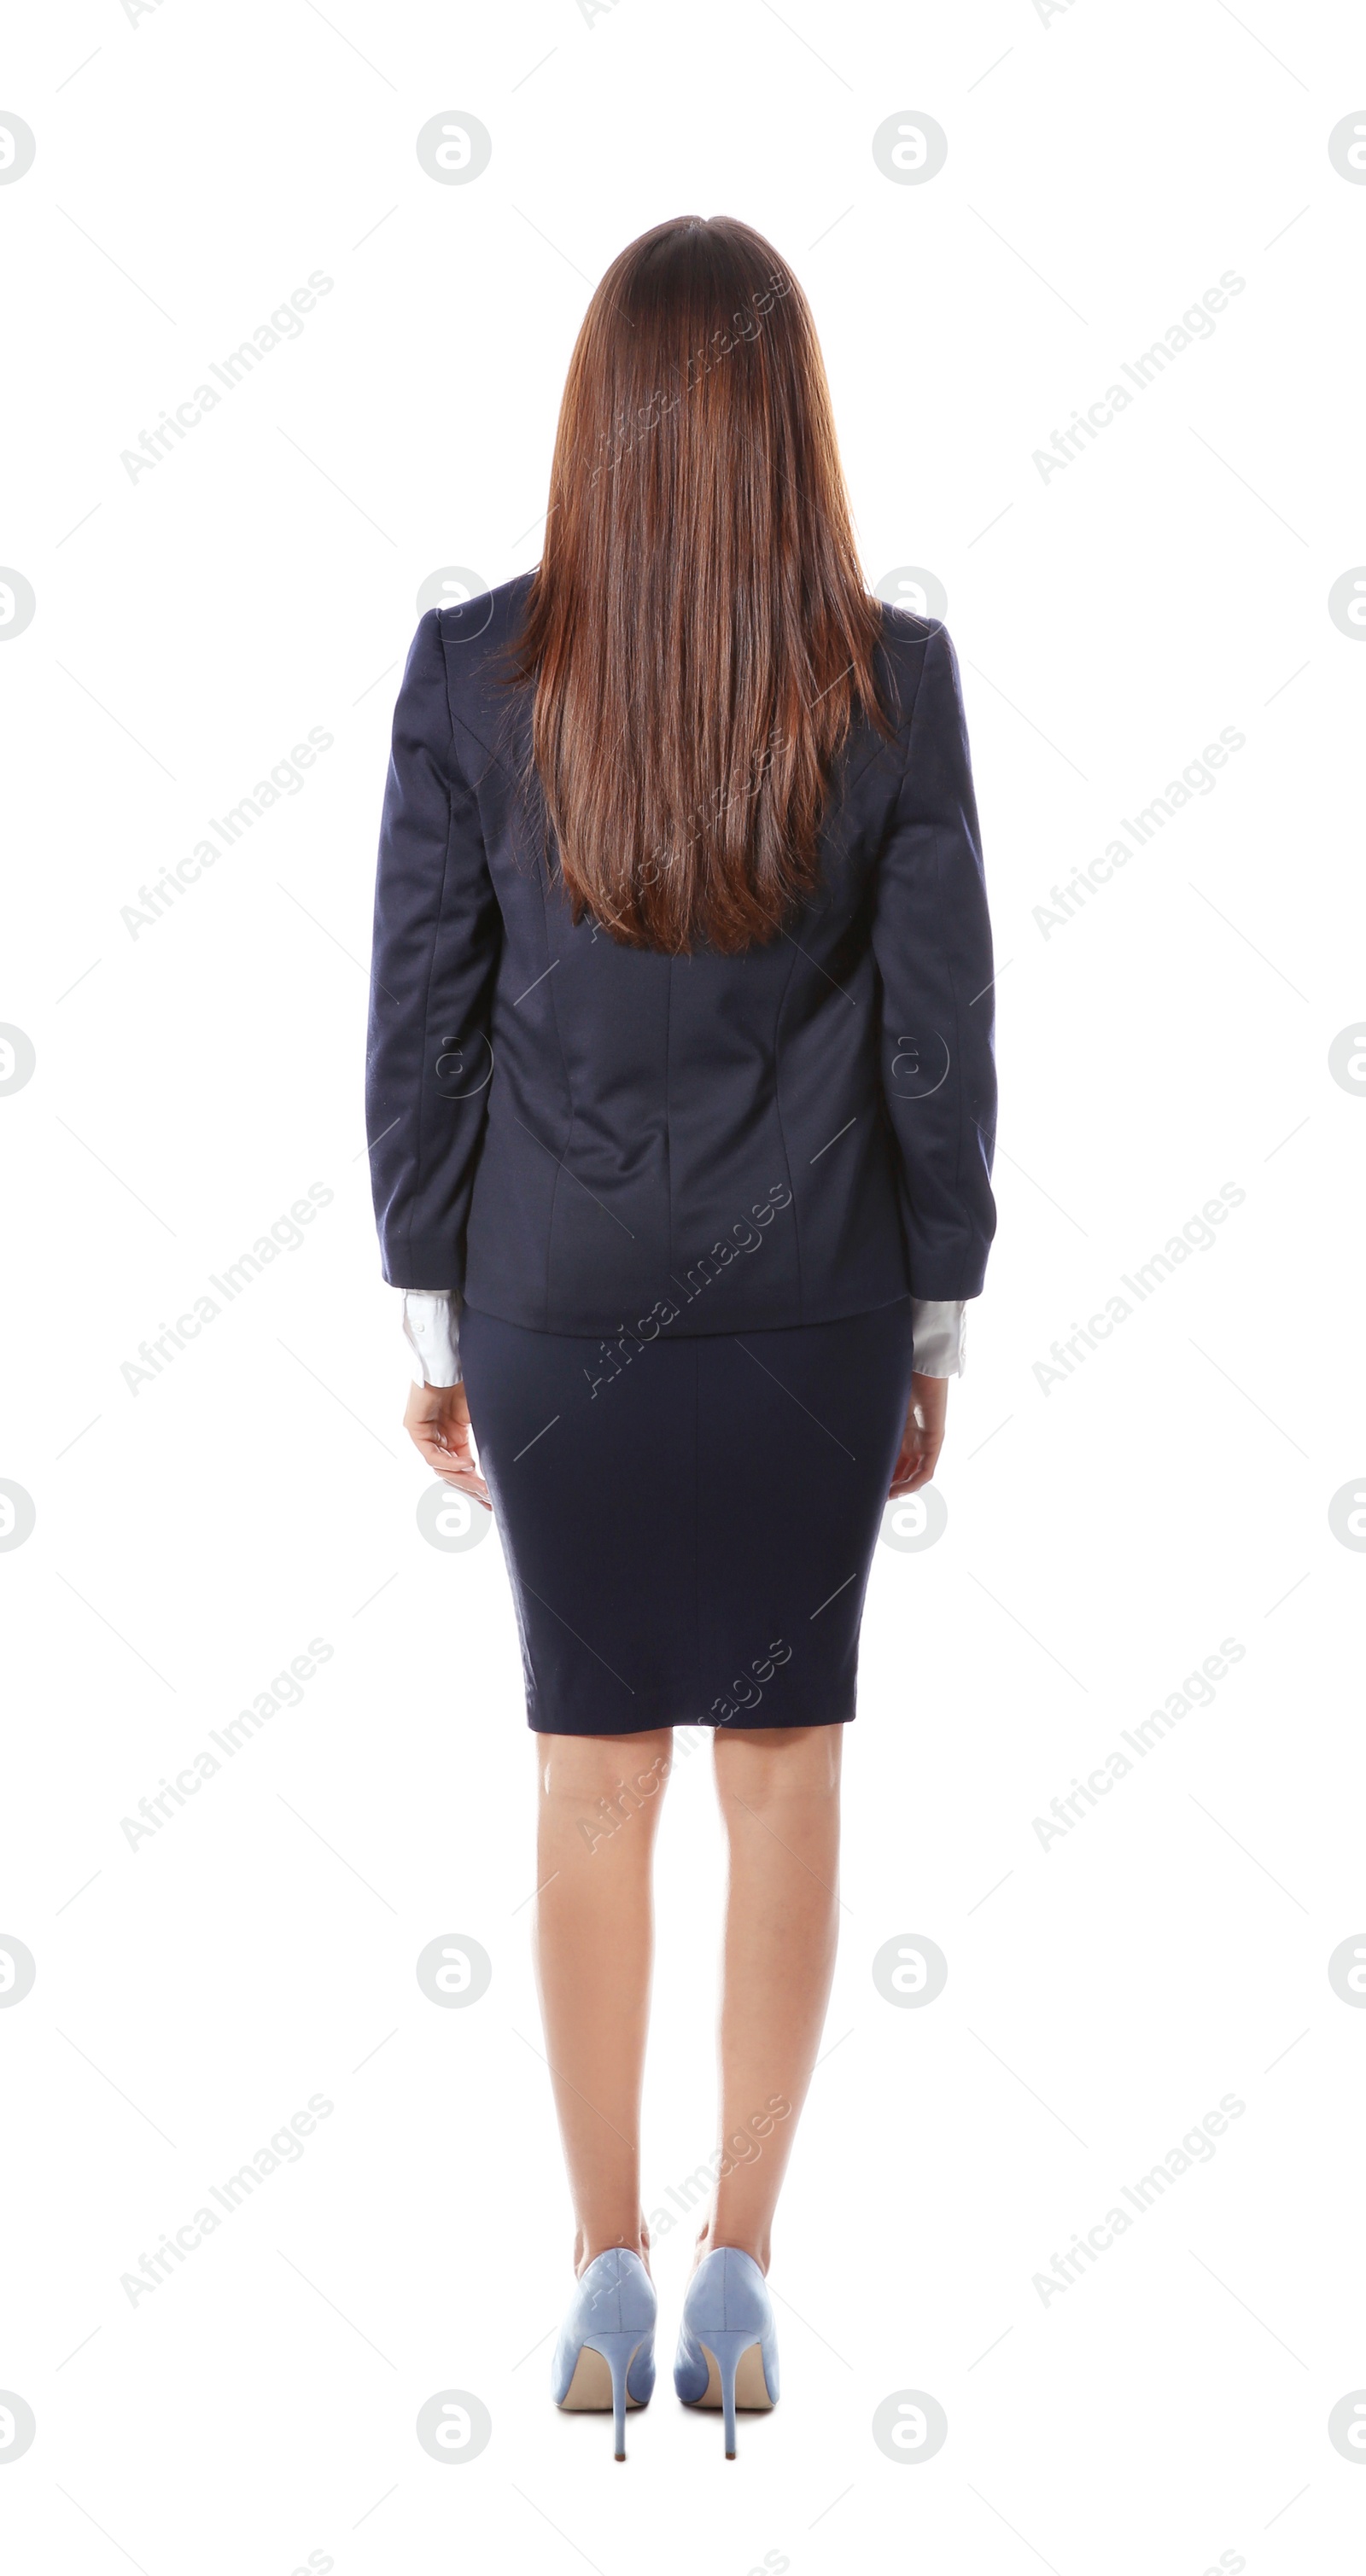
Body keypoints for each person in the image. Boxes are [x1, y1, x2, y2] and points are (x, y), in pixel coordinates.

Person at [366, 213, 996, 2460]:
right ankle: (740, 2260)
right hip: (811, 1303)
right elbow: (940, 1045)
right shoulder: (889, 682)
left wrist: (432, 1314)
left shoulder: (469, 673)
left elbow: (419, 1034)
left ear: (596, 422)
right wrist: (933, 1327)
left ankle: (594, 2270)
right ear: (790, 422)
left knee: (583, 1771)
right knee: (791, 1760)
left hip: (551, 1307)